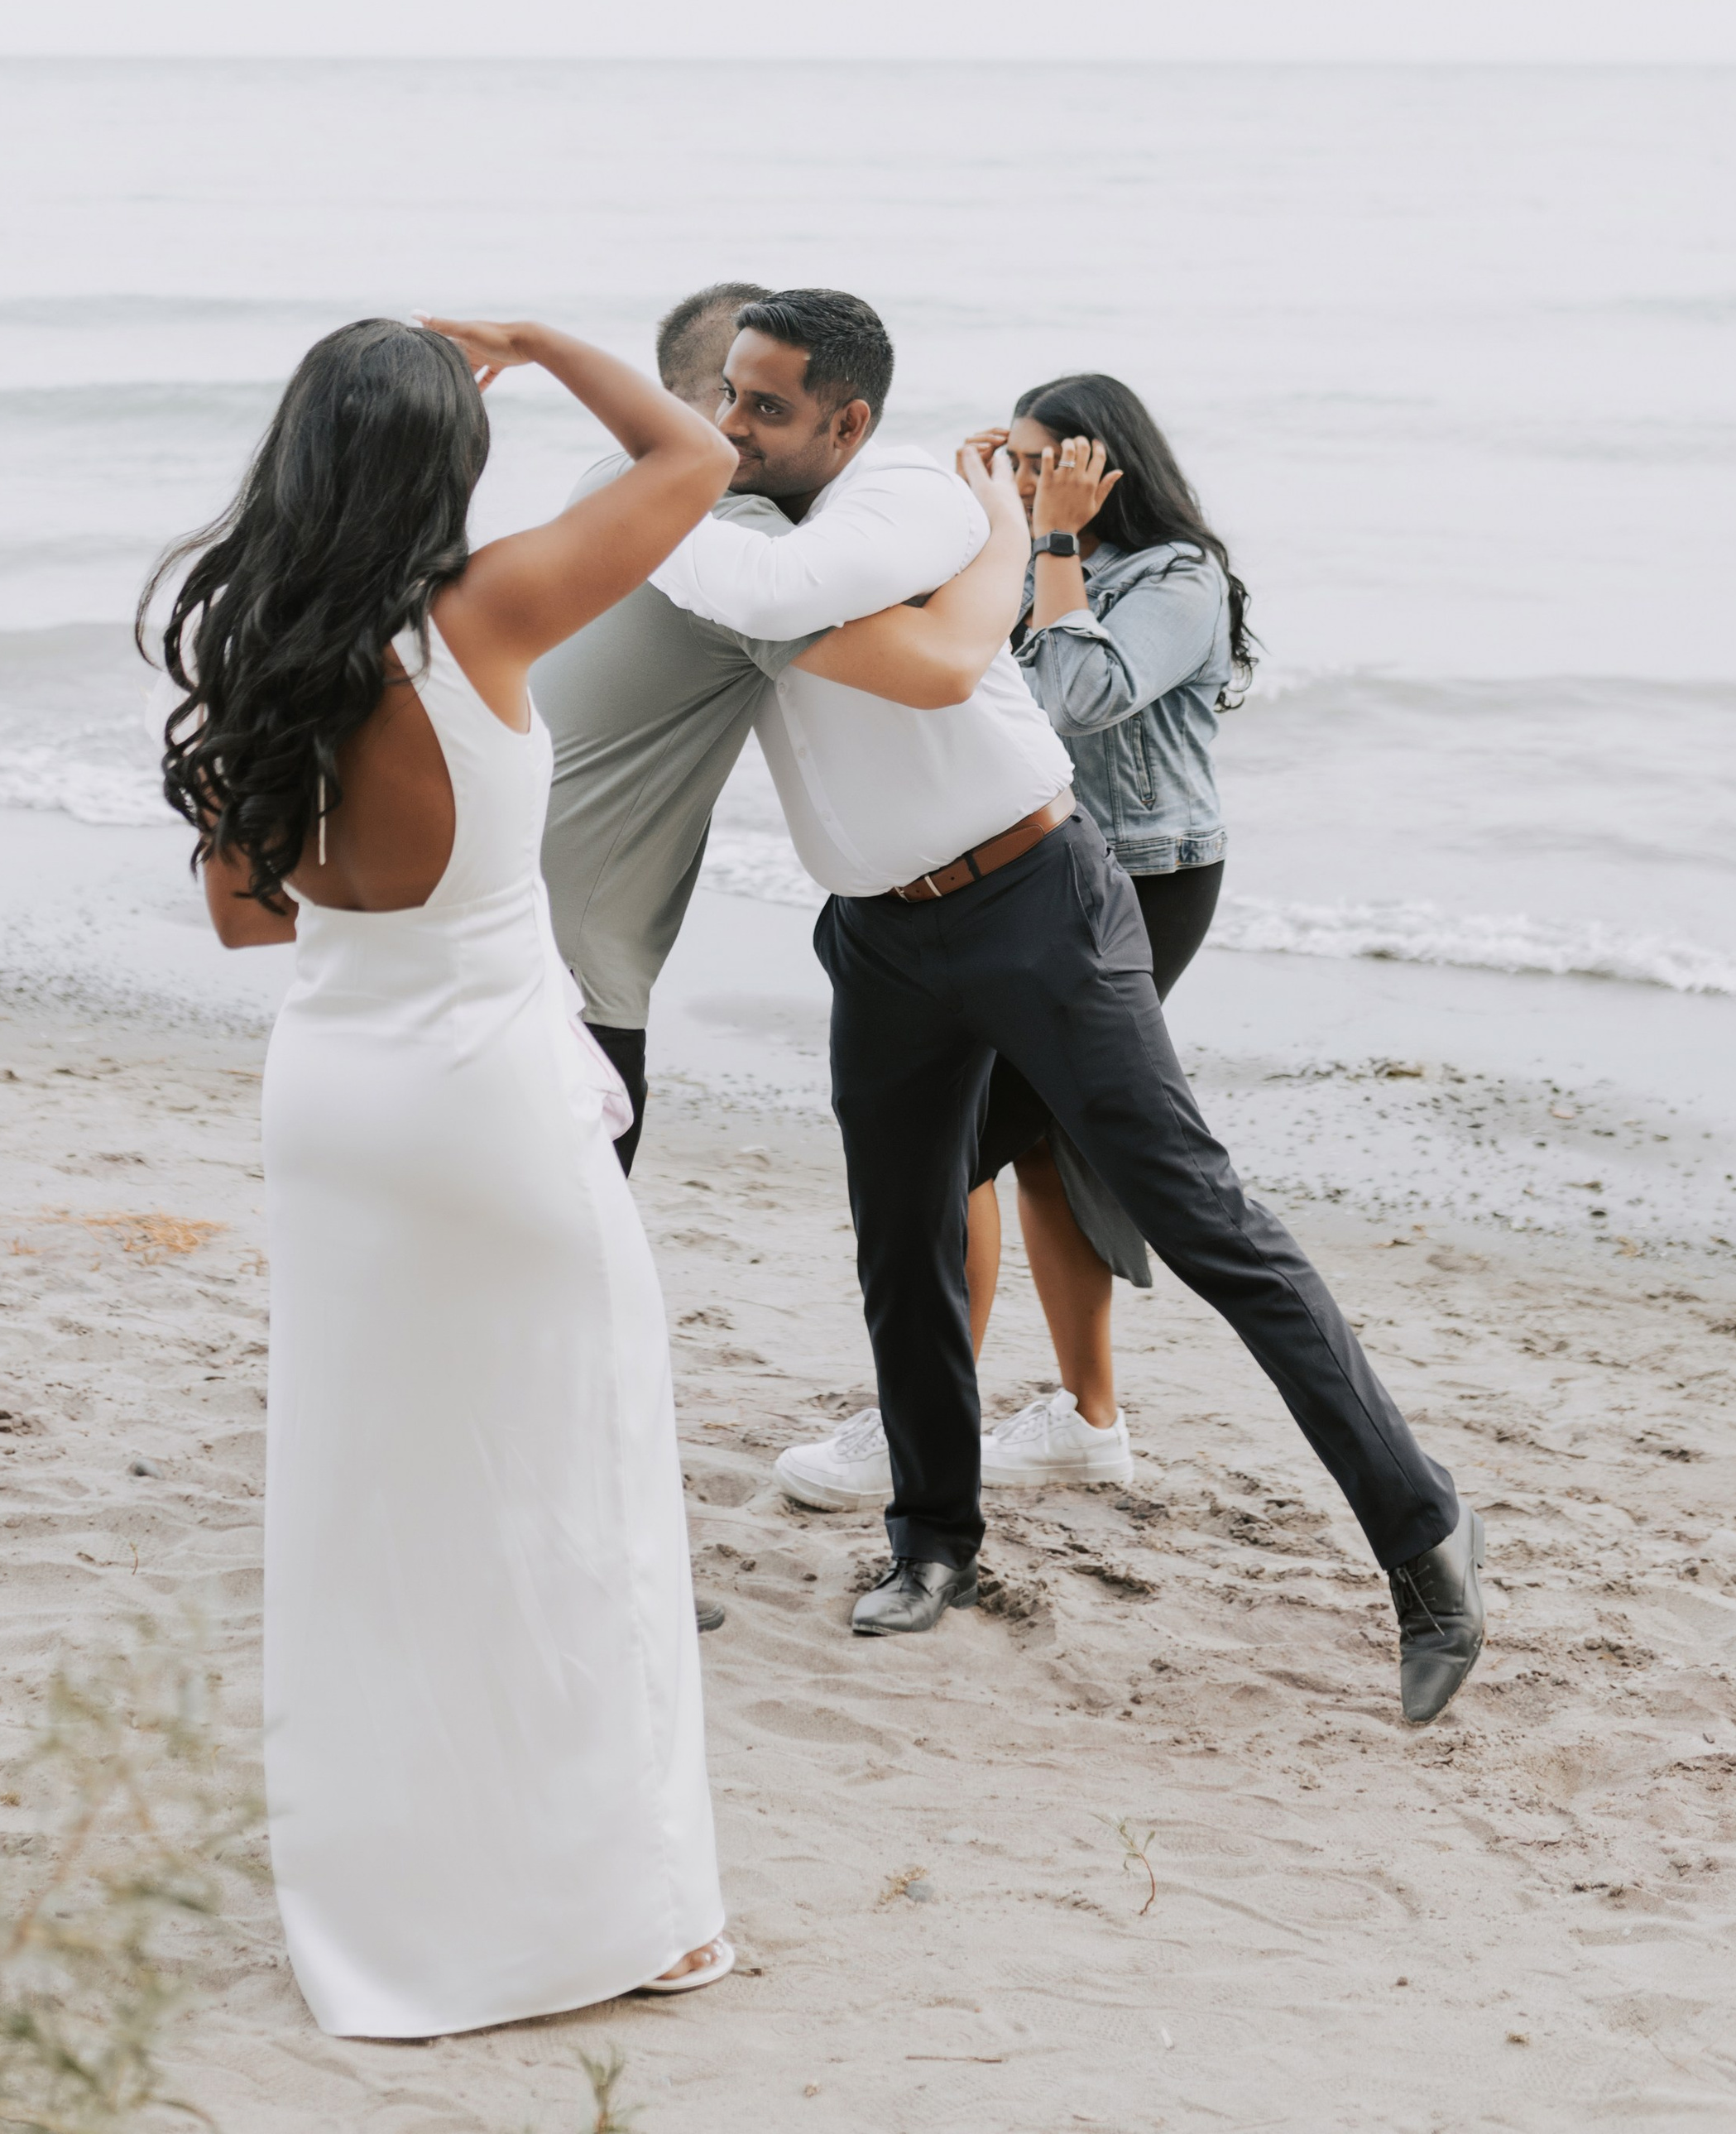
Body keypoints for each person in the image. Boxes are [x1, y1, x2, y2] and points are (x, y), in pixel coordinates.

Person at [655, 288, 1484, 1723]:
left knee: (1200, 1213)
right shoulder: (743, 535)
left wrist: (1007, 528)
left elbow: (879, 630)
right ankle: (933, 1541)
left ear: (847, 421)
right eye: (723, 399)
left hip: (1038, 900)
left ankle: (1423, 1539)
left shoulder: (913, 493)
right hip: (883, 937)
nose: (732, 428)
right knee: (902, 1238)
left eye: (765, 407)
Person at [141, 314, 741, 2040]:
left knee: (372, 1513)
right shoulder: (480, 614)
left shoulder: (262, 654)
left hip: (335, 1103)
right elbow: (694, 459)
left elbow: (246, 918)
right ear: (443, 466)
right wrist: (547, 343)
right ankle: (626, 1921)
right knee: (574, 1496)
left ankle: (390, 1912)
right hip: (485, 1110)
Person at [792, 376, 1251, 1508]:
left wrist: (1043, 539)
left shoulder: (1173, 577)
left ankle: (925, 1417)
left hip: (1142, 879)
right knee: (1042, 1146)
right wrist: (979, 510)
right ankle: (1084, 1422)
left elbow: (1080, 697)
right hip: (1036, 881)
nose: (1037, 479)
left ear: (1110, 469)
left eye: (1055, 461)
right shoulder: (1027, 549)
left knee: (964, 1151)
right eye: (1024, 457)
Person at [535, 281, 986, 1175]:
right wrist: (1012, 524)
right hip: (574, 973)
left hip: (502, 918)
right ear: (704, 401)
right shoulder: (727, 533)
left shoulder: (612, 477)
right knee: (571, 1262)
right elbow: (939, 667)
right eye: (743, 400)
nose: (750, 427)